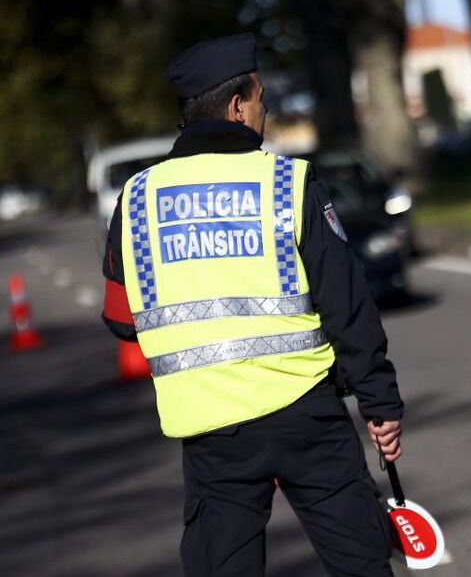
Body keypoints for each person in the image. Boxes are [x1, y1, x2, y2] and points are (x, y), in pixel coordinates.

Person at [101, 33, 404, 576]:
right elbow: (347, 305)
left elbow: (121, 319)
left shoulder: (137, 198)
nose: (266, 109)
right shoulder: (288, 183)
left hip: (211, 430)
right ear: (238, 106)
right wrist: (379, 403)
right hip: (307, 414)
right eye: (262, 97)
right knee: (360, 564)